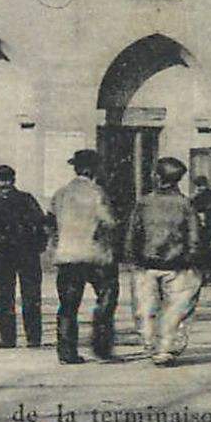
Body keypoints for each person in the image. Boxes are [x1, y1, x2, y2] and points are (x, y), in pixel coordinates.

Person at [126, 157, 203, 367]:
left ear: (157, 177)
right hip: (178, 265)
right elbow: (195, 237)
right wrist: (191, 258)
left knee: (145, 310)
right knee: (176, 310)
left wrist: (132, 257)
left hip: (146, 264)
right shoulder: (186, 204)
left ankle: (152, 345)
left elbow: (134, 233)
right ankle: (165, 347)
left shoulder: (143, 202)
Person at [48, 149, 121, 365]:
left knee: (68, 305)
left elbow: (51, 221)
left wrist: (57, 243)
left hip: (67, 255)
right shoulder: (98, 193)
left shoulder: (60, 193)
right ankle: (101, 345)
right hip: (94, 255)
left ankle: (66, 351)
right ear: (93, 169)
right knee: (107, 296)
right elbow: (109, 222)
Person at [0, 164, 48, 349]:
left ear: (13, 180)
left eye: (7, 180)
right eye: (1, 180)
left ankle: (30, 338)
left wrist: (38, 247)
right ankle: (11, 338)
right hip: (4, 256)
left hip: (24, 254)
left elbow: (41, 224)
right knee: (6, 297)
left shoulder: (25, 200)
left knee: (29, 297)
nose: (4, 184)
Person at [191, 175, 211, 256]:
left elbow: (193, 209)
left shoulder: (201, 196)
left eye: (200, 185)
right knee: (204, 246)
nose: (199, 188)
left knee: (202, 247)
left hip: (205, 225)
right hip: (208, 226)